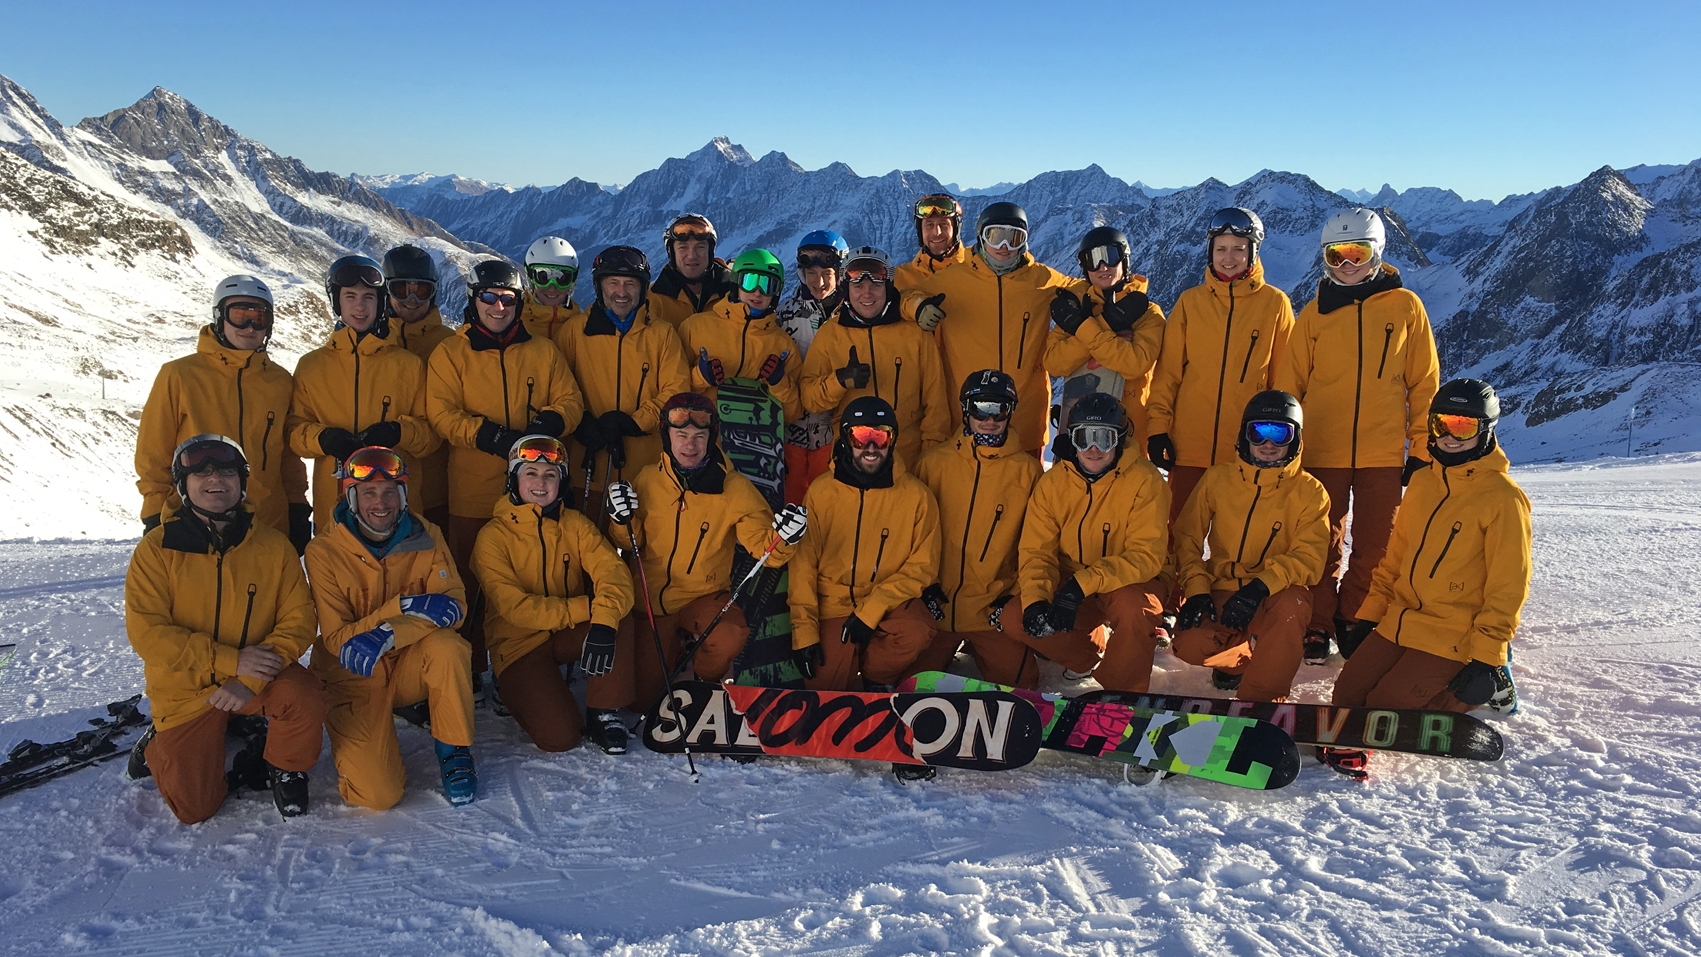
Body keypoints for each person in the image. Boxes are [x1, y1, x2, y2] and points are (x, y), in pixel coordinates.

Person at [1324, 379, 1531, 779]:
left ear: (1486, 430)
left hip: (1454, 631)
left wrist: (1487, 657)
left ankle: (1492, 679)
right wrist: (1368, 617)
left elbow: (1509, 586)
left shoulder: (1502, 498)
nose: (1450, 436)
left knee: (1387, 709)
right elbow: (1395, 558)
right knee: (1348, 694)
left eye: (1464, 427)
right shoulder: (1422, 482)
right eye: (1442, 424)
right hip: (1401, 618)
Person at [125, 435, 325, 824]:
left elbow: (299, 621)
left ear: (242, 482)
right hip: (186, 692)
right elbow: (148, 635)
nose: (215, 479)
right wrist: (232, 660)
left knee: (304, 695)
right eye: (201, 471)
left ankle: (285, 764)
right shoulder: (156, 550)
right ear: (183, 485)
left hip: (256, 679)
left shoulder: (273, 546)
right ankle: (159, 738)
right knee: (194, 809)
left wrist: (247, 677)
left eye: (227, 471)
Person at [1277, 207, 1441, 661]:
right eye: (1337, 256)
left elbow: (1423, 382)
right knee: (1320, 541)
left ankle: (1356, 617)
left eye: (1357, 253)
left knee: (1377, 543)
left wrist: (1421, 446)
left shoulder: (1406, 307)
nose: (1347, 265)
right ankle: (1317, 621)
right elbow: (1290, 385)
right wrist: (1287, 449)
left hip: (1382, 451)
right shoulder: (1312, 315)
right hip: (1321, 448)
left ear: (1378, 254)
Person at [425, 259, 585, 687]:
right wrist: (487, 436)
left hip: (536, 488)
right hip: (474, 487)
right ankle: (472, 667)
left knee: (535, 574)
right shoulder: (451, 353)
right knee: (469, 580)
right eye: (489, 298)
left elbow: (570, 400)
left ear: (519, 302)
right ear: (474, 301)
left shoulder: (541, 351)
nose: (498, 307)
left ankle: (527, 664)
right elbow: (440, 413)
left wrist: (551, 422)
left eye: (508, 299)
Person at [604, 392, 807, 706]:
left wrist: (786, 537)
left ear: (712, 438)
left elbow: (764, 549)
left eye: (699, 436)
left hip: (703, 596)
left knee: (729, 635)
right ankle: (677, 657)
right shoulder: (646, 480)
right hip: (650, 602)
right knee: (644, 701)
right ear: (666, 437)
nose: (690, 445)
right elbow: (629, 541)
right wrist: (620, 519)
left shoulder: (733, 488)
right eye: (681, 435)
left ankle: (704, 678)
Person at [303, 446, 475, 808]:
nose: (380, 503)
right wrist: (408, 606)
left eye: (389, 492)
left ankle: (455, 749)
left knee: (448, 647)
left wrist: (387, 633)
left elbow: (454, 607)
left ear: (403, 496)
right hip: (354, 674)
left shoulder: (427, 535)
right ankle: (361, 737)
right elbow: (338, 639)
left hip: (406, 664)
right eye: (368, 493)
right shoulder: (323, 551)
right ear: (351, 497)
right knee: (379, 796)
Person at [471, 436, 637, 754]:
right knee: (560, 738)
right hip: (520, 646)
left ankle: (604, 710)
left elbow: (614, 574)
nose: (540, 482)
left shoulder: (575, 525)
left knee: (617, 612)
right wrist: (587, 608)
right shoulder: (492, 536)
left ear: (560, 482)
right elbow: (515, 608)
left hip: (566, 634)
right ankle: (512, 690)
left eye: (550, 475)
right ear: (513, 479)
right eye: (530, 473)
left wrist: (602, 621)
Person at [1170, 391, 1330, 700]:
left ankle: (1262, 701)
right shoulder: (1218, 479)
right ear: (1245, 434)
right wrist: (1197, 591)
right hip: (1223, 588)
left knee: (1292, 605)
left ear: (1295, 438)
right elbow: (1187, 538)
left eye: (1279, 433)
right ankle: (1238, 663)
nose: (1268, 444)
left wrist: (1258, 588)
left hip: (1273, 594)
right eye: (1259, 432)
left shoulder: (1310, 492)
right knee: (1189, 643)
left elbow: (1309, 558)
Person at [136, 275, 311, 550]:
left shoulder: (280, 382)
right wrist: (153, 509)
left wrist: (297, 506)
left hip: (268, 523)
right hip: (196, 520)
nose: (250, 326)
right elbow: (153, 450)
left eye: (259, 318)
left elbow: (287, 455)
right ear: (220, 317)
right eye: (239, 315)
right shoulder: (180, 375)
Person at [1146, 208, 1295, 523]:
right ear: (1210, 252)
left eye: (1239, 249)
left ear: (1253, 253)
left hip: (1248, 449)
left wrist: (1280, 440)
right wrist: (1158, 428)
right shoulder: (1190, 302)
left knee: (1237, 540)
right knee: (1177, 534)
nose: (1229, 258)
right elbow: (1168, 374)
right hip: (1188, 446)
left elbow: (1283, 385)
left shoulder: (1275, 304)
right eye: (1221, 249)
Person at [790, 397, 941, 700]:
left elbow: (923, 566)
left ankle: (877, 677)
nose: (871, 448)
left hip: (887, 602)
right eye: (861, 437)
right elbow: (803, 567)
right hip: (833, 603)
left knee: (916, 629)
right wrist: (804, 633)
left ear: (892, 440)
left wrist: (871, 611)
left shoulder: (916, 496)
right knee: (826, 693)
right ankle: (847, 667)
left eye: (880, 436)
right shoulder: (821, 492)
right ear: (846, 439)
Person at [1018, 394, 1170, 692]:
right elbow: (1037, 552)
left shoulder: (1145, 480)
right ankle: (1086, 656)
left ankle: (1121, 693)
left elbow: (1146, 556)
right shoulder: (1053, 484)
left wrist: (1082, 584)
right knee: (1017, 615)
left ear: (1120, 439)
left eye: (1105, 438)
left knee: (1133, 610)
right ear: (1072, 440)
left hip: (1132, 581)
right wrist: (1036, 599)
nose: (1094, 449)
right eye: (1084, 437)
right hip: (1075, 581)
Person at [901, 201, 1072, 458]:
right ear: (981, 237)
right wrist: (918, 307)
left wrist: (1131, 290)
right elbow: (906, 296)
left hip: (1024, 421)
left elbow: (1091, 287)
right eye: (996, 236)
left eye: (1013, 238)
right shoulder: (954, 280)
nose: (1004, 247)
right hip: (966, 421)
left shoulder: (1042, 281)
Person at [909, 370, 1044, 686]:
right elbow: (909, 535)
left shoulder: (1028, 472)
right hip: (936, 610)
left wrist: (1014, 596)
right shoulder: (933, 464)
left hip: (989, 611)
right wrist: (921, 589)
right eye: (980, 407)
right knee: (911, 686)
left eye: (1000, 409)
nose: (990, 419)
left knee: (1023, 686)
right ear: (965, 408)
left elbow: (1038, 545)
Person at [288, 255, 439, 532]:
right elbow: (294, 432)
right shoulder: (311, 366)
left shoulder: (408, 365)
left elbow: (430, 436)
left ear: (380, 302)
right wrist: (323, 438)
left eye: (369, 297)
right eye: (350, 296)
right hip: (334, 507)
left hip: (395, 505)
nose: (360, 306)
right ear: (336, 302)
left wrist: (398, 432)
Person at [554, 245, 691, 511]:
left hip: (647, 471)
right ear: (599, 286)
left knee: (640, 547)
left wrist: (634, 422)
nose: (621, 292)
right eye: (613, 283)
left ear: (642, 289)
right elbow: (556, 388)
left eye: (630, 284)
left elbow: (676, 391)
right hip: (587, 467)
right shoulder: (574, 333)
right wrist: (581, 421)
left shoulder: (661, 335)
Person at [799, 247, 952, 469]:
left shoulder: (914, 333)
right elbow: (810, 399)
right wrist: (839, 381)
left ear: (888, 287)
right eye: (858, 286)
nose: (867, 293)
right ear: (846, 289)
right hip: (850, 463)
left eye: (876, 285)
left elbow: (936, 405)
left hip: (907, 463)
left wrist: (929, 459)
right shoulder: (831, 334)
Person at [1044, 226, 1168, 451]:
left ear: (1124, 260)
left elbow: (1134, 364)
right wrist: (1103, 325)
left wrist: (1083, 327)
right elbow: (1054, 363)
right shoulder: (1076, 307)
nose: (1103, 267)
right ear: (1084, 268)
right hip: (1077, 437)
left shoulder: (1148, 313)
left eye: (1110, 257)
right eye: (1093, 259)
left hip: (1129, 436)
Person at [680, 248, 804, 423]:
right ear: (735, 283)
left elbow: (793, 414)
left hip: (757, 443)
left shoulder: (782, 346)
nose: (758, 292)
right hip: (700, 439)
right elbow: (673, 392)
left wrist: (779, 382)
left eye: (768, 285)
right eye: (750, 281)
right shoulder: (695, 327)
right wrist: (700, 377)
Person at [775, 230, 848, 503]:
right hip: (790, 432)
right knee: (790, 505)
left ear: (839, 274)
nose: (819, 282)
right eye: (812, 273)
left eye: (827, 274)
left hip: (835, 434)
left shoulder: (853, 314)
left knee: (828, 506)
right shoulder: (784, 314)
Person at [648, 213, 738, 330]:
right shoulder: (651, 299)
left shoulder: (734, 292)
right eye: (683, 247)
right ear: (672, 253)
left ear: (710, 252)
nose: (692, 256)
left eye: (700, 247)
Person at [893, 193, 972, 293]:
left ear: (956, 229)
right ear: (920, 231)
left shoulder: (977, 273)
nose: (937, 232)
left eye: (944, 224)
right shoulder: (897, 280)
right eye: (929, 225)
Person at [520, 236, 585, 342]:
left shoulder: (582, 326)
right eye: (543, 277)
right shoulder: (513, 320)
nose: (552, 287)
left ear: (572, 282)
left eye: (562, 278)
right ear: (530, 278)